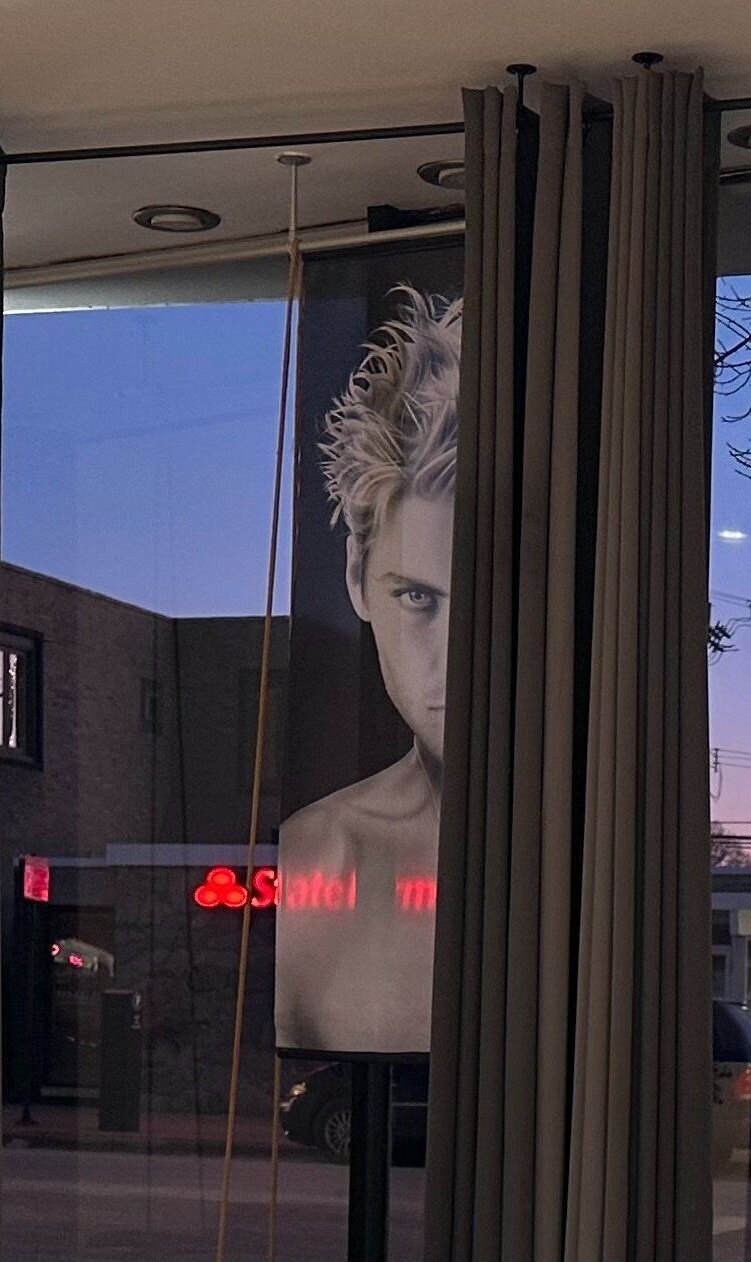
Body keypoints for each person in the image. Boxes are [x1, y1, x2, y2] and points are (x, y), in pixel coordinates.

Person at [275, 289, 459, 1059]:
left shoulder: (620, 853)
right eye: (418, 597)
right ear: (358, 577)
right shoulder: (317, 858)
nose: (456, 655)